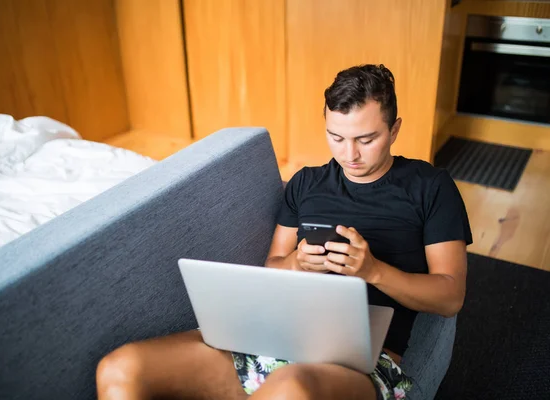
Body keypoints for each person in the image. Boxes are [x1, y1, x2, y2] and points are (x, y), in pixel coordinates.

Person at [95, 64, 473, 400]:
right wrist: (295, 264)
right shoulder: (306, 183)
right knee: (121, 368)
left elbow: (450, 295)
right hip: (274, 337)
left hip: (359, 360)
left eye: (366, 139)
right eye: (336, 137)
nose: (349, 155)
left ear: (394, 130)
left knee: (290, 389)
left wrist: (373, 271)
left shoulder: (430, 187)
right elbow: (273, 265)